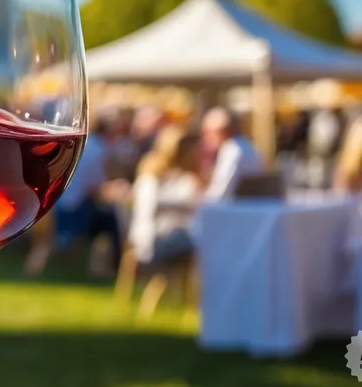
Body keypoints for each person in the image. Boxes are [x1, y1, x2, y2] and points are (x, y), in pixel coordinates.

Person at [53, 120, 122, 274]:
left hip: (60, 201)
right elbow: (95, 188)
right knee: (112, 221)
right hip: (76, 206)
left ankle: (72, 250)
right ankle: (115, 266)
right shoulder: (100, 150)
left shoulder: (85, 144)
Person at [130, 127, 201, 265]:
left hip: (167, 237)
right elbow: (148, 208)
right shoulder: (151, 177)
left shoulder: (184, 176)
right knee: (203, 245)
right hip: (154, 239)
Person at [200, 107, 263, 201]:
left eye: (208, 132)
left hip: (236, 209)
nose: (207, 138)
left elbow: (221, 192)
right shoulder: (247, 145)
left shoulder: (232, 150)